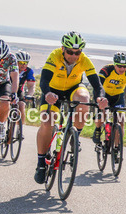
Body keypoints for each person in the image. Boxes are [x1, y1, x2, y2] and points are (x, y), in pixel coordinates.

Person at [34, 32, 106, 183]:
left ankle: (75, 136)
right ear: (63, 49)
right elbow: (44, 79)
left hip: (73, 90)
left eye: (77, 52)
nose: (74, 56)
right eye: (70, 52)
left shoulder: (84, 60)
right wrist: (47, 93)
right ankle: (41, 162)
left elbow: (97, 84)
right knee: (47, 123)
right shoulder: (55, 56)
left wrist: (100, 97)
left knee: (84, 99)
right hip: (53, 91)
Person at [92, 52, 126, 146]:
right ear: (114, 64)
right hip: (105, 95)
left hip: (118, 96)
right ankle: (98, 129)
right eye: (119, 66)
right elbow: (97, 86)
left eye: (124, 66)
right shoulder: (106, 70)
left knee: (121, 121)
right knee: (102, 115)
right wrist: (99, 99)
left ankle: (117, 148)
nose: (122, 69)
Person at [14, 49, 36, 129]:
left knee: (22, 105)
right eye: (21, 63)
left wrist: (30, 95)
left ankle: (20, 129)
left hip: (19, 90)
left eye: (26, 63)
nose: (23, 65)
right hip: (7, 90)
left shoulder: (29, 71)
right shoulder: (11, 69)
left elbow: (31, 86)